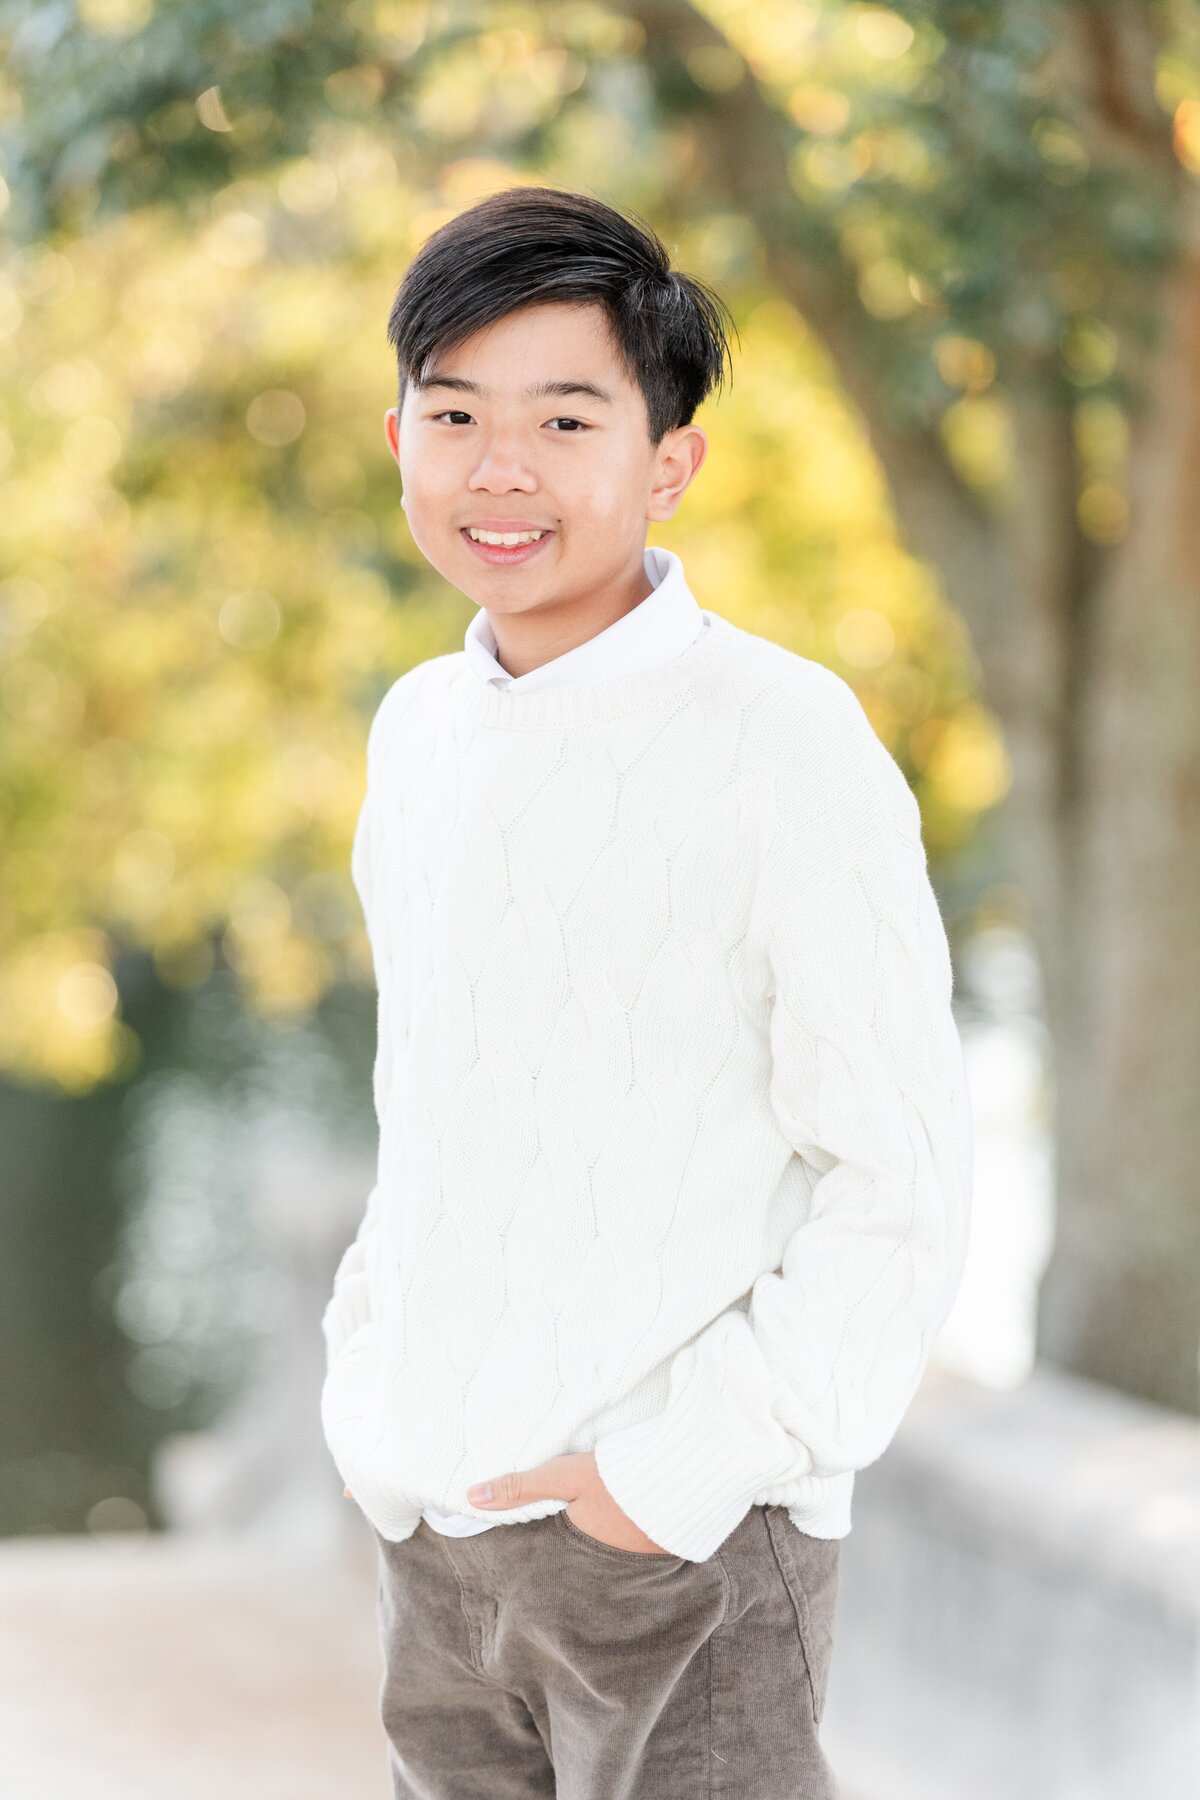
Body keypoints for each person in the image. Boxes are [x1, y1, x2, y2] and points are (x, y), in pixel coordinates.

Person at [321, 184, 974, 1799]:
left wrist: (670, 1479)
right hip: (436, 1549)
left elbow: (899, 1182)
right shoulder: (418, 733)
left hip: (683, 1557)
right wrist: (373, 1403)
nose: (501, 469)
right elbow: (432, 1113)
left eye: (564, 420)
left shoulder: (786, 739)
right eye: (455, 415)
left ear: (668, 463)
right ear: (397, 438)